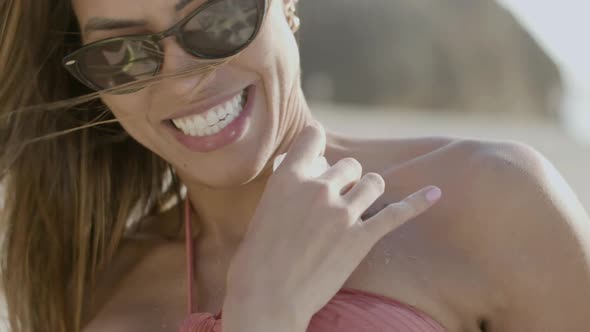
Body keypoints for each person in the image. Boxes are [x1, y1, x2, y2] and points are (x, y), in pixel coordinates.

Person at [1, 0, 589, 331]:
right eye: (121, 54)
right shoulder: (93, 287)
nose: (184, 77)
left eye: (218, 18)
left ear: (285, 4)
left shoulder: (490, 201)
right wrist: (262, 314)